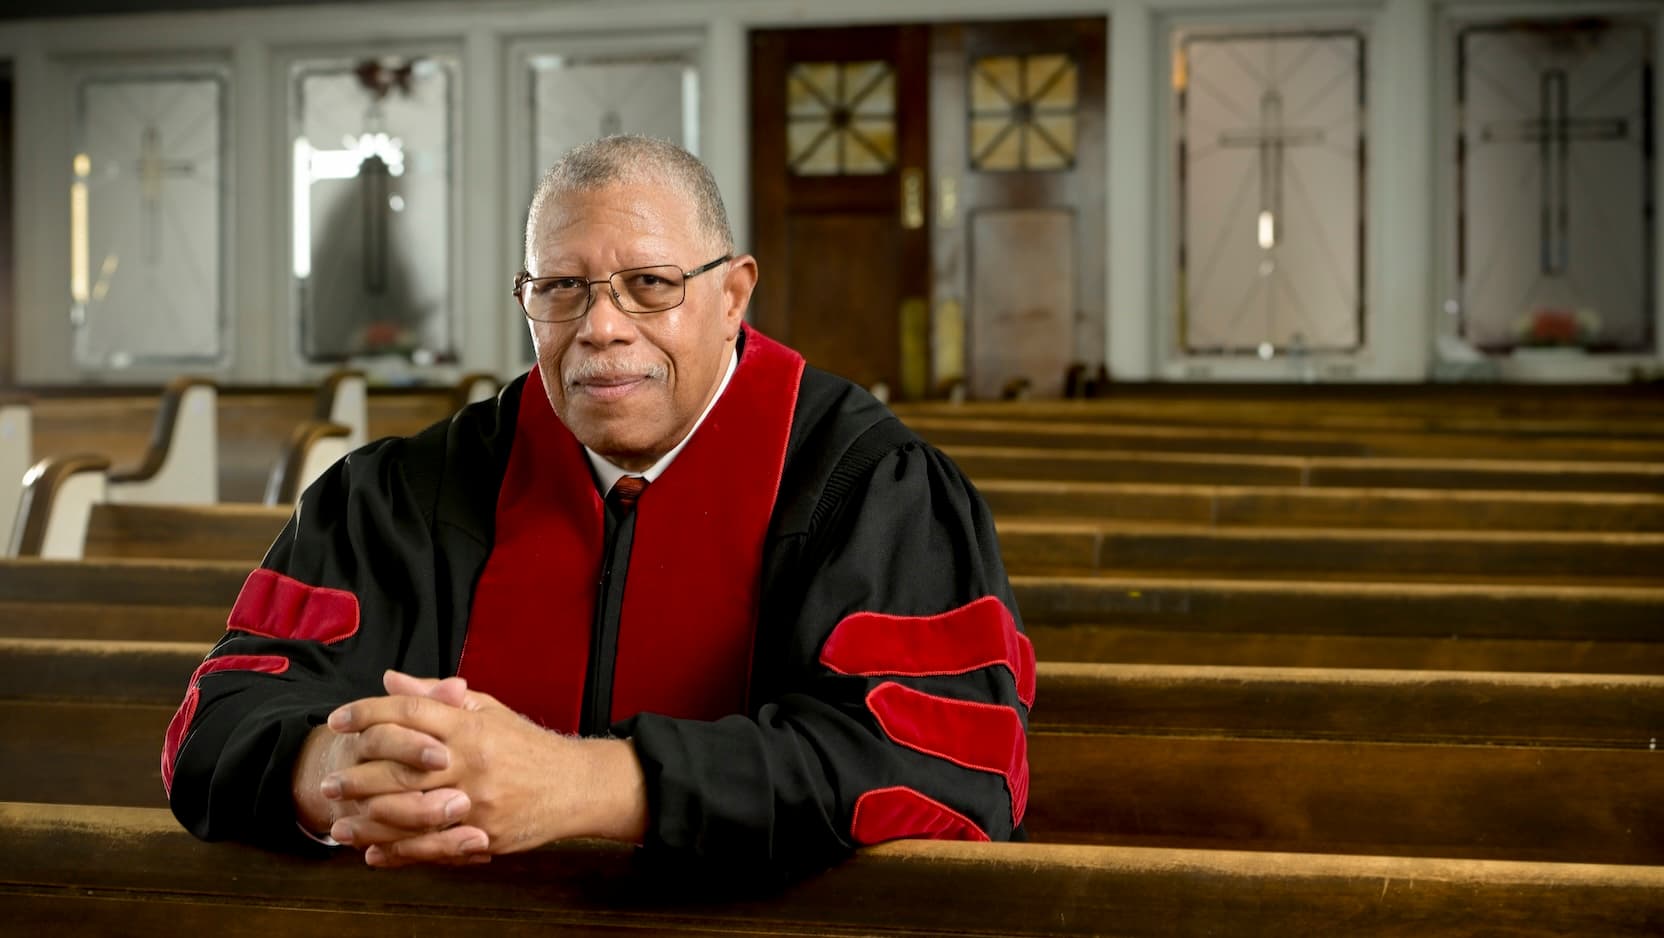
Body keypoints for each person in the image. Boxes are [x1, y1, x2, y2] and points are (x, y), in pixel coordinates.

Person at [163, 135, 1032, 878]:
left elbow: (949, 777)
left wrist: (589, 787)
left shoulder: (875, 490)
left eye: (650, 284)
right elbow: (217, 719)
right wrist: (337, 771)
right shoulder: (396, 495)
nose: (602, 327)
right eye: (561, 288)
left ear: (732, 296)